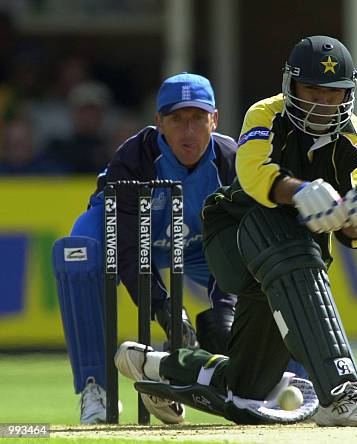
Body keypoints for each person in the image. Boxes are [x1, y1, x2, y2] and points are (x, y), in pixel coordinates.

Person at [115, 36, 357, 427]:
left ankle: (159, 367)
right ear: (291, 85)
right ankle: (342, 391)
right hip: (233, 237)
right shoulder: (265, 114)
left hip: (294, 267)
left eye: (333, 94)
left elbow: (355, 234)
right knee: (283, 230)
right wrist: (299, 191)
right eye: (311, 90)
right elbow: (253, 175)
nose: (321, 103)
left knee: (247, 391)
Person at [52, 73, 238, 424]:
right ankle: (97, 389)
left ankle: (294, 383)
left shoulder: (230, 161)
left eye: (198, 118)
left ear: (215, 119)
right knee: (75, 254)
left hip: (200, 247)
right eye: (177, 119)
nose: (189, 131)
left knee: (274, 264)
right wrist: (161, 305)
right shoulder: (134, 158)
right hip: (129, 238)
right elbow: (124, 243)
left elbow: (237, 247)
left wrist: (224, 309)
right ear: (159, 123)